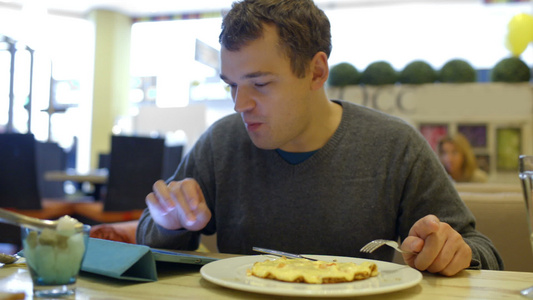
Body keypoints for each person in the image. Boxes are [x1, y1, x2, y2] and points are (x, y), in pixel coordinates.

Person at [136, 0, 503, 276]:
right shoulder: (221, 144)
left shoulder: (394, 147)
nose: (239, 104)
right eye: (232, 85)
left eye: (259, 84)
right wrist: (168, 223)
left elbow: (485, 253)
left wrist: (456, 253)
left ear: (316, 71)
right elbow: (148, 244)